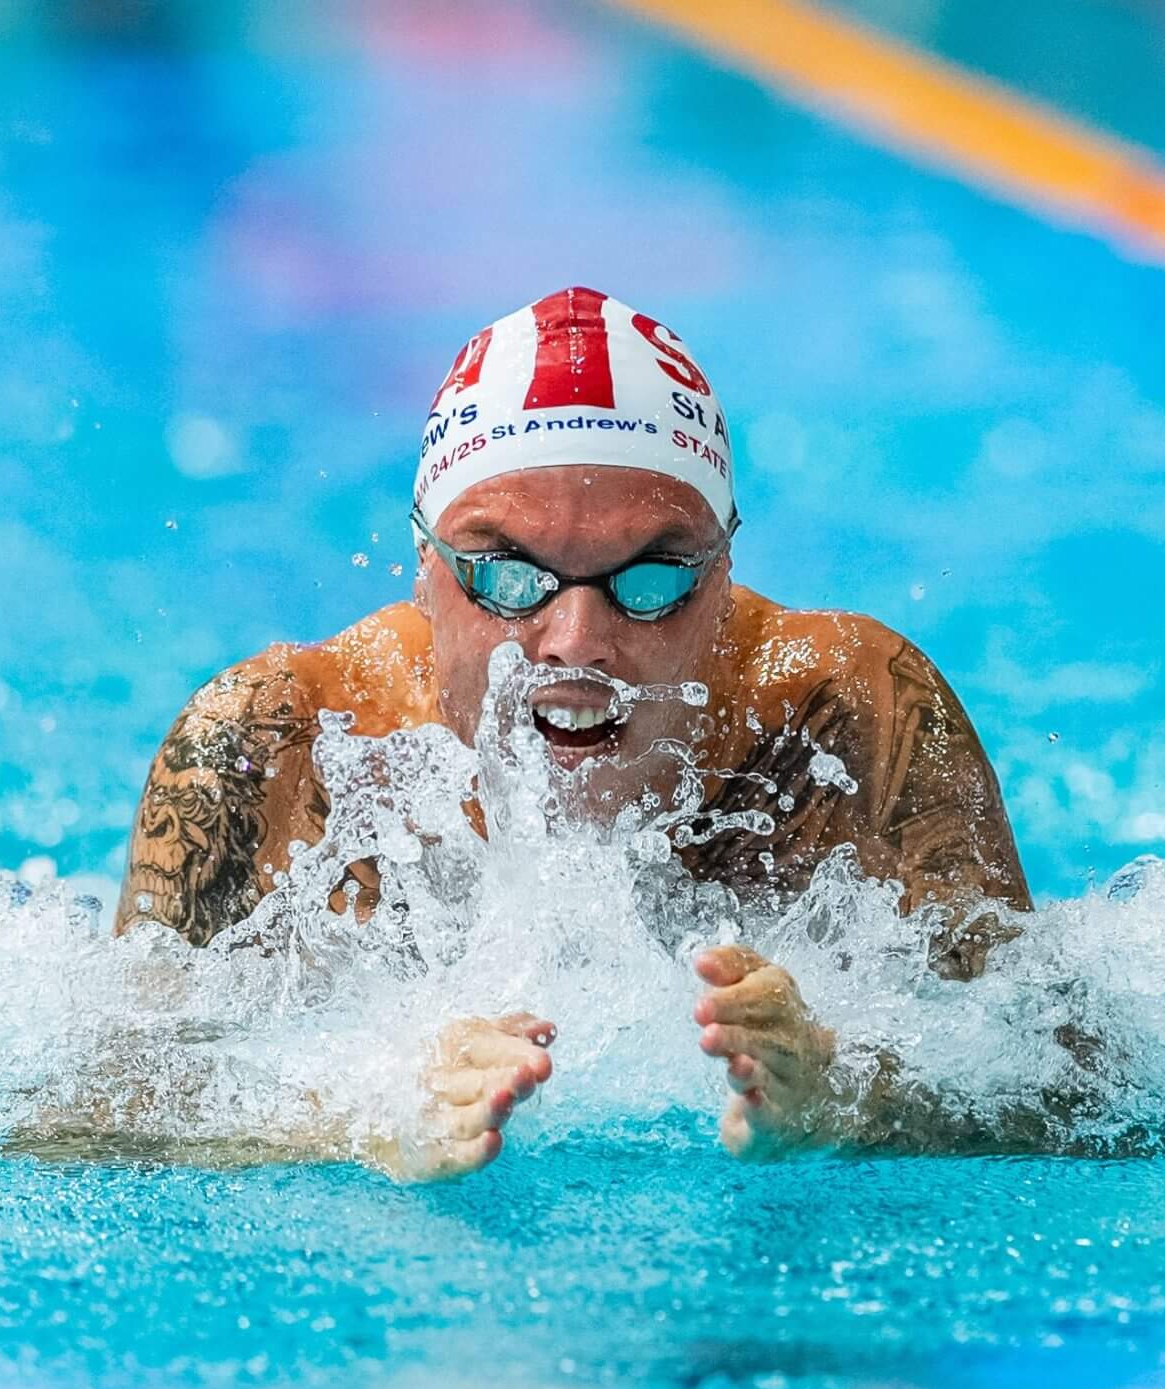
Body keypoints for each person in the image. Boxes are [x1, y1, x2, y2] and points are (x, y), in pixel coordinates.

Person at [117, 286, 1031, 1179]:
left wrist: (848, 1096)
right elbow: (90, 1118)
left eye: (651, 580)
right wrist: (365, 1117)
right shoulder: (278, 742)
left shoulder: (849, 717)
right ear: (425, 572)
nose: (577, 643)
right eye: (510, 576)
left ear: (721, 576)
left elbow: (1078, 1092)